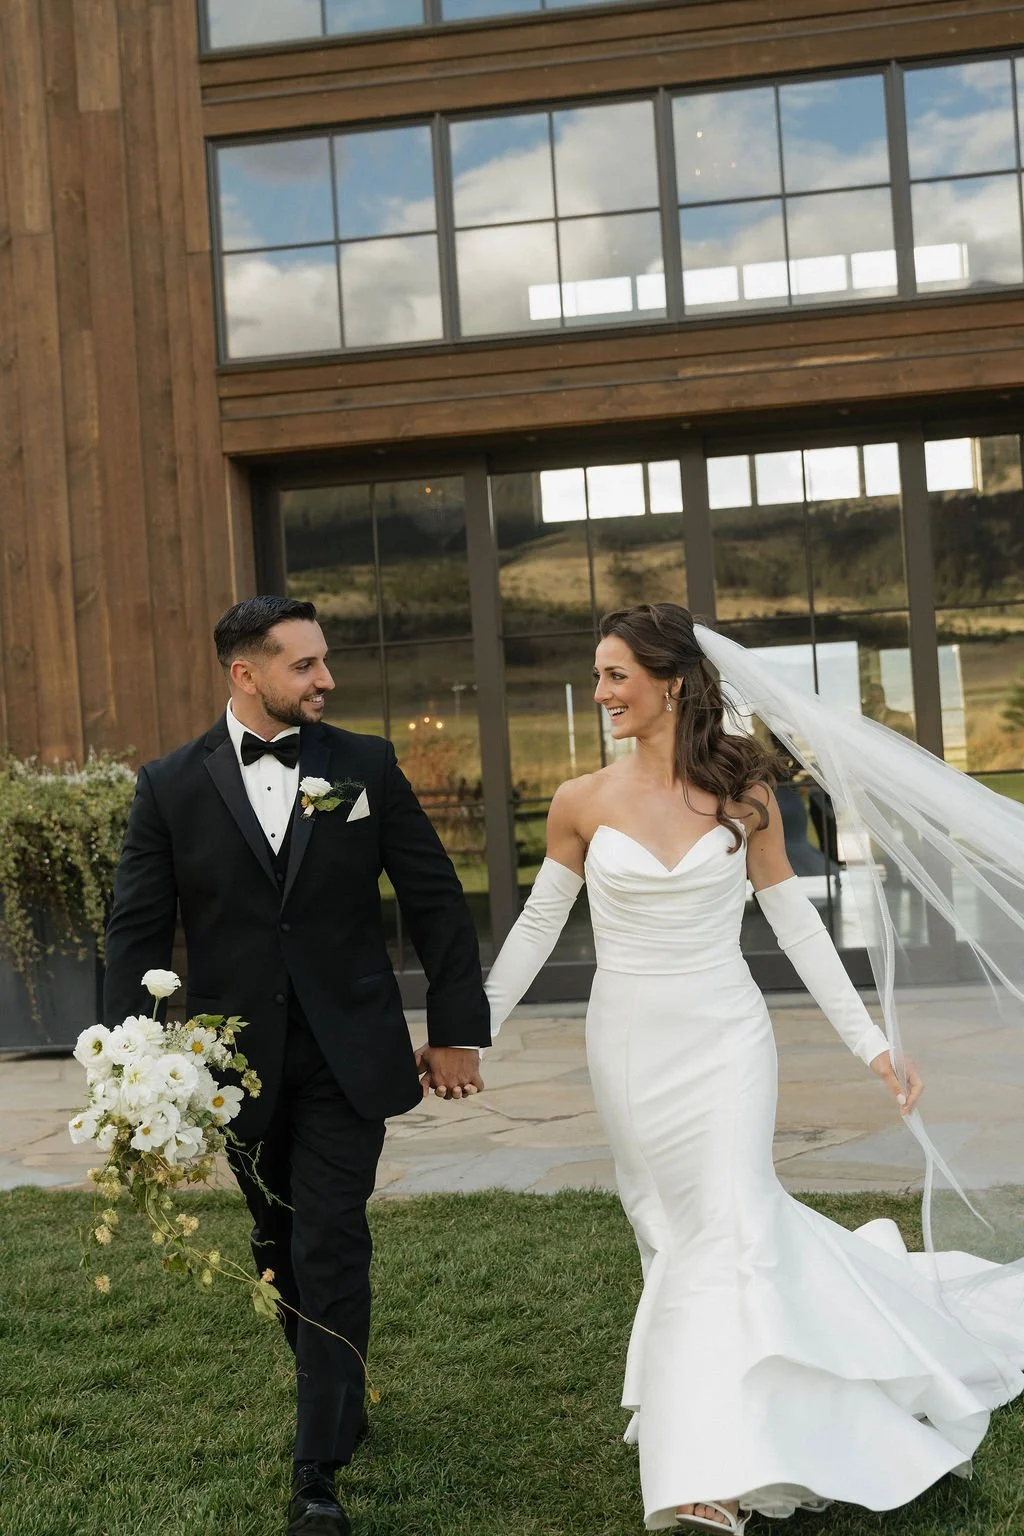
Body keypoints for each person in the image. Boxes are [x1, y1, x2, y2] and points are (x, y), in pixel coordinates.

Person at [478, 602, 1024, 1534]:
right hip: (628, 1043)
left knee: (727, 1225)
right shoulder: (581, 801)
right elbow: (536, 927)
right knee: (668, 1232)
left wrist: (872, 1044)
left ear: (672, 683)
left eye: (616, 675)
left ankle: (709, 1476)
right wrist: (471, 1030)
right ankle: (716, 1403)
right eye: (600, 675)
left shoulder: (745, 797)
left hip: (726, 1041)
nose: (602, 691)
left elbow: (797, 926)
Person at [104, 596, 489, 1536]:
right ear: (246, 674)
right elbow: (135, 932)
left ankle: (317, 1464)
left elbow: (436, 902)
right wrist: (128, 1068)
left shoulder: (365, 764)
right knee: (275, 1245)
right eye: (305, 665)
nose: (326, 680)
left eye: (324, 662)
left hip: (350, 1051)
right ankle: (340, 1390)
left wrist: (456, 1028)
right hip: (235, 1065)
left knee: (328, 1236)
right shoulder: (169, 786)